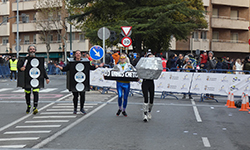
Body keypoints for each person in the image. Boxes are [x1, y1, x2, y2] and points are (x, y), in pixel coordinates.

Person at [56, 50, 104, 114]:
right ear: (75, 55)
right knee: (75, 96)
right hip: (74, 82)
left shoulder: (85, 62)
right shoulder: (71, 62)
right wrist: (59, 67)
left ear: (81, 55)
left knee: (82, 95)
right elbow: (65, 69)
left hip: (83, 82)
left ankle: (82, 108)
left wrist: (99, 66)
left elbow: (91, 67)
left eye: (79, 53)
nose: (78, 54)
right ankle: (75, 108)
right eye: (77, 53)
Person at [17, 44, 50, 114]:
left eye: (33, 49)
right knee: (27, 93)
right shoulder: (25, 59)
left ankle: (35, 107)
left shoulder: (38, 60)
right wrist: (20, 68)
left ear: (35, 50)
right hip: (27, 79)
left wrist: (46, 78)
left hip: (36, 79)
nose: (32, 50)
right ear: (28, 51)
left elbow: (42, 69)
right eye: (31, 49)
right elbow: (19, 66)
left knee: (36, 92)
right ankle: (28, 106)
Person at [142, 52, 155, 122]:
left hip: (151, 82)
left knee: (152, 99)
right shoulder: (144, 65)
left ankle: (149, 111)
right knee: (146, 98)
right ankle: (145, 114)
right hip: (145, 82)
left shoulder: (154, 66)